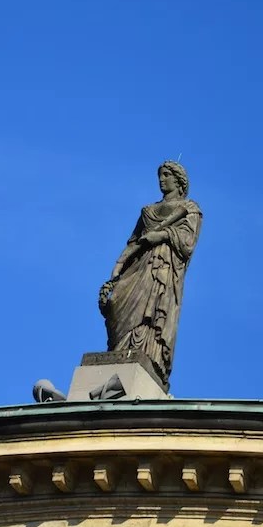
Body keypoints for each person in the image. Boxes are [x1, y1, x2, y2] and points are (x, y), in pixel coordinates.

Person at [99, 161, 203, 390]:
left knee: (153, 312)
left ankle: (148, 355)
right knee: (117, 302)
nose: (161, 179)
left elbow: (188, 242)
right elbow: (132, 243)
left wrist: (163, 235)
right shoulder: (147, 211)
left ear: (178, 180)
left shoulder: (190, 209)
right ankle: (118, 353)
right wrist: (117, 270)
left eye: (166, 175)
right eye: (160, 175)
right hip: (138, 265)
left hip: (163, 268)